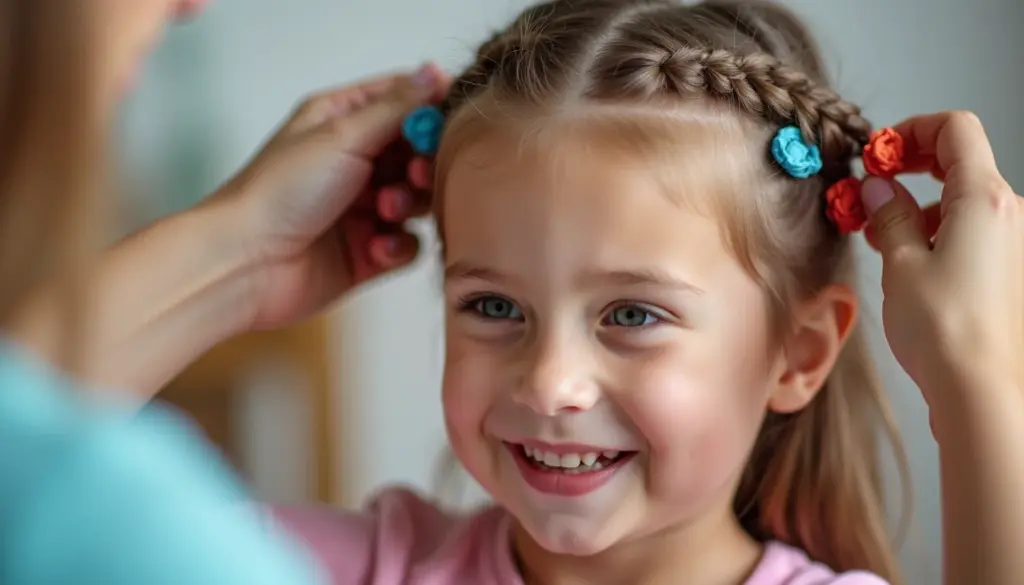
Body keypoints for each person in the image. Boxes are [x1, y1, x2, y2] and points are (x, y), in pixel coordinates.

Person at [0, 0, 1020, 584]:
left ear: (798, 354)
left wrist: (976, 387)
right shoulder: (359, 569)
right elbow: (19, 463)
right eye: (493, 306)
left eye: (631, 314)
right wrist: (233, 257)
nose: (550, 380)